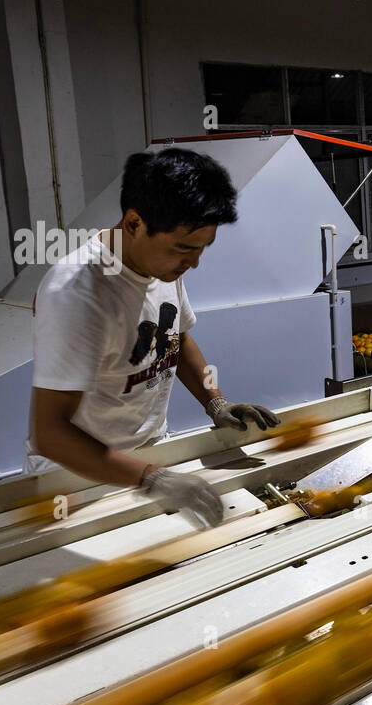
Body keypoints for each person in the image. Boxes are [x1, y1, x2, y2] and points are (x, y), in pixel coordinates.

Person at [26, 147, 280, 528]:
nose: (194, 263)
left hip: (146, 459)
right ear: (134, 224)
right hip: (77, 479)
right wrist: (151, 479)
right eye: (184, 248)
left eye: (202, 248)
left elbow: (177, 339)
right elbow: (50, 434)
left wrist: (215, 402)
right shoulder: (76, 293)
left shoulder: (160, 266)